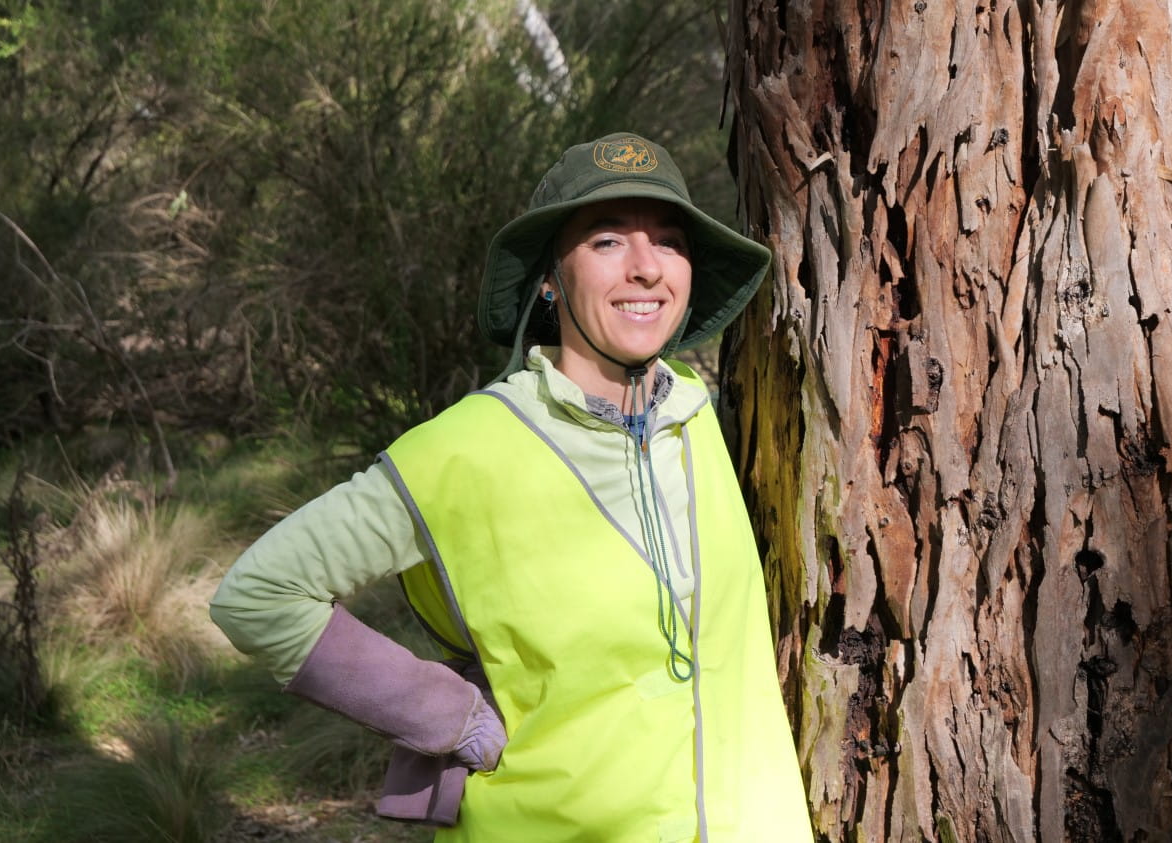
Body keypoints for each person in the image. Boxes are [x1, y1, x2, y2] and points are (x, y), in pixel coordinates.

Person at [210, 131, 812, 841]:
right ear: (551, 276)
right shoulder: (462, 449)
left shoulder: (701, 414)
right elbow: (258, 595)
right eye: (607, 240)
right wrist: (444, 713)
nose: (647, 266)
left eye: (669, 240)